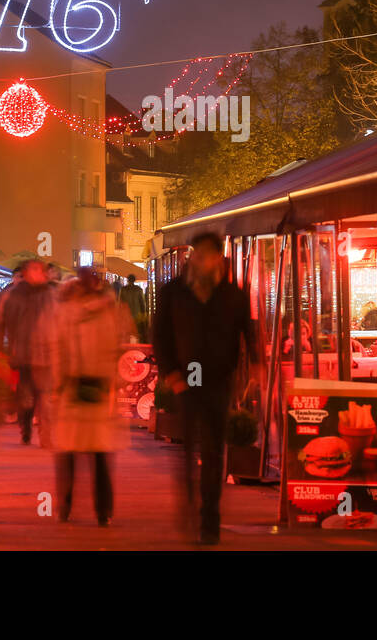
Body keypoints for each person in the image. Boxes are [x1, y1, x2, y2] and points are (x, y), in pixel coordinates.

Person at [153, 232, 260, 545]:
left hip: (217, 379)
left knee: (214, 449)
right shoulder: (173, 292)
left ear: (218, 258)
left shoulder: (233, 295)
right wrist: (170, 372)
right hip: (186, 378)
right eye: (197, 255)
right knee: (186, 448)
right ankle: (188, 504)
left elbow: (248, 332)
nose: (201, 261)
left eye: (208, 255)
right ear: (191, 257)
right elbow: (160, 334)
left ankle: (209, 519)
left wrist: (256, 365)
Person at [48, 268, 129, 526]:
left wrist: (58, 385)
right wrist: (114, 383)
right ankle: (103, 510)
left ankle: (65, 505)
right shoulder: (109, 313)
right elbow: (117, 349)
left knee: (70, 453)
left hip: (74, 387)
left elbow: (58, 349)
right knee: (99, 454)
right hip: (98, 387)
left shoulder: (66, 314)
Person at [0, 260, 56, 445]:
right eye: (36, 270)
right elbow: (0, 321)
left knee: (45, 395)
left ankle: (46, 434)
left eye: (41, 270)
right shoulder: (13, 295)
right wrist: (0, 348)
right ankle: (26, 425)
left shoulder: (51, 294)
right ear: (26, 273)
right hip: (23, 352)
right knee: (27, 397)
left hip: (46, 354)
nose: (40, 273)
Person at [120, 274, 147, 341]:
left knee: (127, 332)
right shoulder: (139, 289)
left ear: (128, 280)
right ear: (134, 280)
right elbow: (142, 304)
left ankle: (127, 346)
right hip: (137, 314)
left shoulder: (123, 289)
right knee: (136, 332)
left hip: (126, 315)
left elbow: (120, 303)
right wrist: (144, 314)